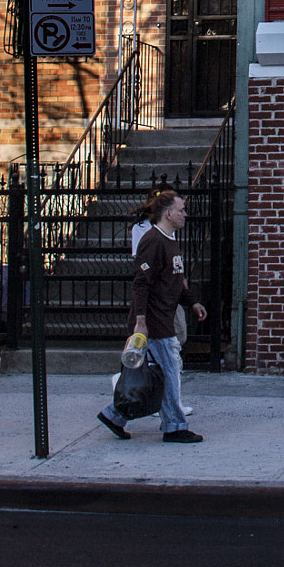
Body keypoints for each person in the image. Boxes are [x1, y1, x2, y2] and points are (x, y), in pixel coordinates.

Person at [98, 188, 207, 443]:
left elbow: (175, 283)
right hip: (154, 324)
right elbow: (141, 283)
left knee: (146, 376)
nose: (185, 215)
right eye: (181, 210)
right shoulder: (152, 240)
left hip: (161, 319)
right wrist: (140, 321)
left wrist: (192, 303)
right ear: (168, 213)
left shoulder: (169, 240)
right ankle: (174, 427)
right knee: (170, 374)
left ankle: (114, 416)